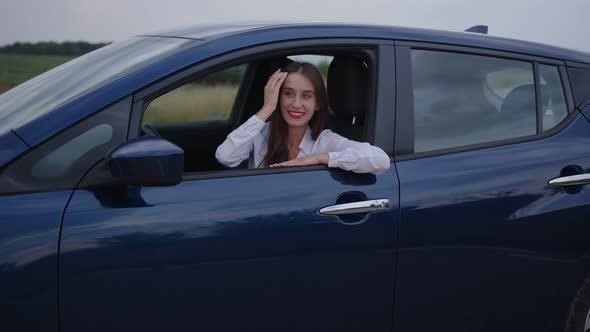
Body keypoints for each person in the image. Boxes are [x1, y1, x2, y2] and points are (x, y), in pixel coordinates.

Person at [215, 61, 390, 175]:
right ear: (278, 96)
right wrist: (267, 108)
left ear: (318, 104)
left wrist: (318, 158)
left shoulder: (324, 141)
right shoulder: (261, 133)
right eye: (288, 94)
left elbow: (380, 160)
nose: (296, 104)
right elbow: (225, 156)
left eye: (306, 96)